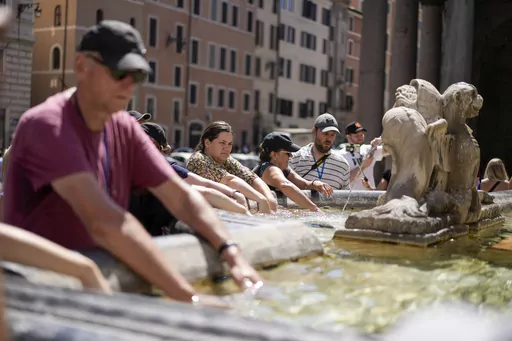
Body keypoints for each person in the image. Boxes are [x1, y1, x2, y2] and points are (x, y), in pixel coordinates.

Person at [3, 20, 261, 307]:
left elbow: (182, 198)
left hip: (97, 276)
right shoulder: (49, 125)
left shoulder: (123, 128)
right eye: (118, 72)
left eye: (137, 75)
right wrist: (188, 297)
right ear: (81, 65)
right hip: (30, 290)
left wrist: (232, 254)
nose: (128, 85)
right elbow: (104, 221)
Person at [129, 123, 250, 236]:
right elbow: (207, 189)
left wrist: (236, 196)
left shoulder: (161, 169)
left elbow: (205, 188)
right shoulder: (129, 168)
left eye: (229, 144)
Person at [187, 121, 277, 214]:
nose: (227, 148)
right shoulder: (198, 160)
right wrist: (261, 199)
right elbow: (228, 180)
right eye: (222, 143)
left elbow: (251, 177)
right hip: (200, 213)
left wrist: (270, 201)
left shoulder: (226, 159)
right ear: (207, 143)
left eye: (229, 144)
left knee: (271, 195)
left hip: (220, 209)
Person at [254, 133, 333, 211]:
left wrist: (315, 184)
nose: (291, 156)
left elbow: (303, 184)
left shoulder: (284, 169)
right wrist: (314, 208)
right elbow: (286, 186)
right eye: (288, 153)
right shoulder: (269, 168)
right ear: (274, 154)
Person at [288, 113, 354, 190]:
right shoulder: (296, 158)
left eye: (332, 135)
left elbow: (345, 198)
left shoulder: (343, 164)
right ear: (314, 131)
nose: (329, 139)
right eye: (325, 133)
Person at [338, 121, 388, 190]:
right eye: (356, 135)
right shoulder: (341, 155)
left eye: (361, 135)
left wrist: (381, 140)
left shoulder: (367, 149)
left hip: (370, 196)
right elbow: (344, 181)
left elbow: (390, 151)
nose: (360, 137)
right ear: (348, 137)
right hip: (352, 198)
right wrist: (363, 166)